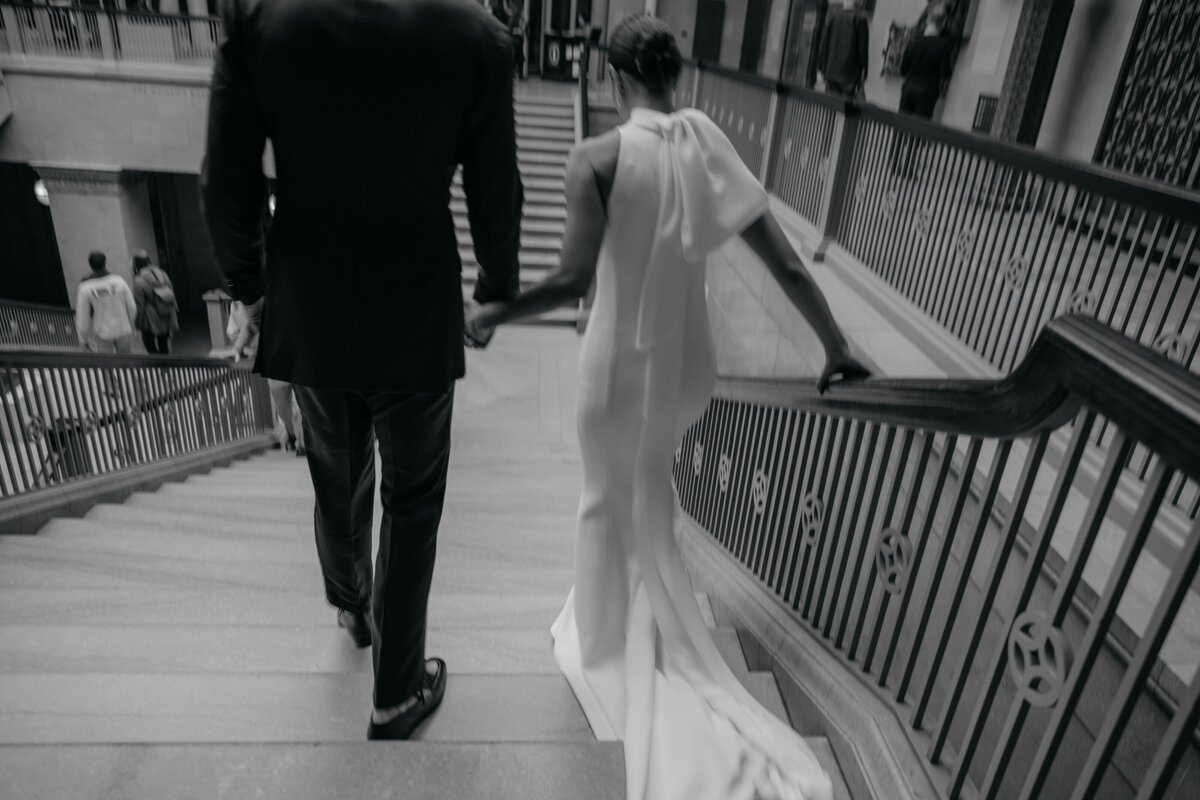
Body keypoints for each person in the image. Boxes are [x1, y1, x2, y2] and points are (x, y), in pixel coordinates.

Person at [467, 14, 869, 800]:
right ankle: (638, 604)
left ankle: (605, 633)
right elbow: (786, 264)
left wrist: (491, 314)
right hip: (688, 370)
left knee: (602, 498)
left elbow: (570, 285)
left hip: (620, 363)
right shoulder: (707, 142)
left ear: (612, 79)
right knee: (649, 486)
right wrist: (835, 344)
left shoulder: (597, 158)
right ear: (671, 75)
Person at [202, 0, 523, 741]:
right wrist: (496, 287)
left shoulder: (264, 23)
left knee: (336, 467)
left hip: (310, 307)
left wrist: (251, 285)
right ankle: (395, 694)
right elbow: (494, 182)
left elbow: (226, 180)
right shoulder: (474, 34)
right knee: (411, 503)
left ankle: (351, 603)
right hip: (415, 308)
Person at [899, 3, 955, 119]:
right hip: (928, 90)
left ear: (928, 22)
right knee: (920, 129)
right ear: (943, 24)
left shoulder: (913, 42)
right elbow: (946, 73)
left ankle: (897, 138)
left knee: (901, 123)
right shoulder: (944, 46)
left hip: (909, 87)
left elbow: (903, 70)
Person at [75, 251, 137, 354]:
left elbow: (82, 316)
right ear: (105, 263)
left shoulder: (85, 287)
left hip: (102, 332)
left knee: (107, 365)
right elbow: (132, 307)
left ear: (90, 265)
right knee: (127, 364)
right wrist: (131, 324)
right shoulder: (119, 281)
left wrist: (83, 338)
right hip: (124, 329)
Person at [817, 0, 869, 98]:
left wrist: (821, 68)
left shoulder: (832, 19)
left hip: (830, 73)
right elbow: (862, 51)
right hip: (849, 75)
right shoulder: (860, 20)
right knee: (848, 108)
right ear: (859, 3)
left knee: (830, 106)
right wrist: (864, 74)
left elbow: (823, 45)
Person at [131, 250, 179, 354]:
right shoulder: (163, 274)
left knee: (149, 344)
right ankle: (166, 367)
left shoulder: (138, 281)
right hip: (166, 314)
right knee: (164, 344)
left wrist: (138, 323)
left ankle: (157, 367)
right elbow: (171, 294)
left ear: (136, 264)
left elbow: (140, 305)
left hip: (149, 319)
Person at [268, 378, 306, 457]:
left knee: (299, 407)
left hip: (301, 369)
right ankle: (292, 435)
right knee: (282, 408)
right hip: (278, 373)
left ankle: (301, 444)